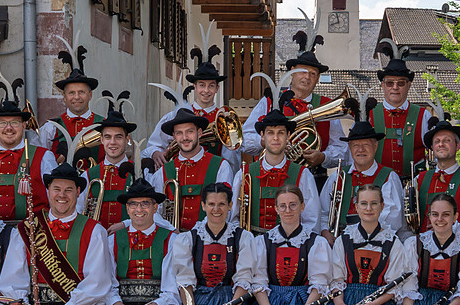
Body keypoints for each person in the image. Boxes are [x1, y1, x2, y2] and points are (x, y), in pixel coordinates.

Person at [23, 166, 116, 305]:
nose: (62, 195)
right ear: (48, 191)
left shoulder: (94, 230)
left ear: (78, 193)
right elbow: (14, 278)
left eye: (68, 190)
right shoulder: (29, 227)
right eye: (56, 189)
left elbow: (97, 281)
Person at [169, 181, 257, 305]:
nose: (216, 209)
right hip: (197, 300)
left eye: (221, 204)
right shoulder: (188, 239)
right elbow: (185, 282)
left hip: (232, 300)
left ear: (229, 206)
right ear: (203, 206)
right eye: (211, 204)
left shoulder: (243, 238)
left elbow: (244, 280)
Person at [241, 28, 347, 176]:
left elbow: (342, 149)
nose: (307, 77)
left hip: (314, 176)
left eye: (313, 74)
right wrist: (265, 142)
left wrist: (323, 157)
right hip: (271, 174)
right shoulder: (270, 99)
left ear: (317, 79)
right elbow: (244, 138)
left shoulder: (327, 106)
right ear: (292, 71)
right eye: (303, 71)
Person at [106, 177, 181, 305]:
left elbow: (173, 286)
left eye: (145, 204)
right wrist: (114, 303)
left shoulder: (170, 238)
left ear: (155, 207)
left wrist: (158, 304)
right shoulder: (113, 239)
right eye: (133, 204)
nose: (139, 209)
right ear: (127, 210)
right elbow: (107, 280)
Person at [144, 41, 242, 171]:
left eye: (211, 86)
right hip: (181, 173)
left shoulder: (225, 119)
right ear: (194, 87)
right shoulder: (176, 115)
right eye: (202, 85)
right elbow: (153, 145)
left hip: (212, 176)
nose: (206, 90)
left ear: (217, 88)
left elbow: (232, 160)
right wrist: (155, 153)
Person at [0, 92, 54, 223]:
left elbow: (55, 195)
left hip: (32, 233)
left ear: (24, 125)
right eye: (2, 123)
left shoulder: (44, 156)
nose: (8, 128)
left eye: (14, 122)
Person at [236, 112, 321, 234]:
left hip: (290, 247)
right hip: (253, 245)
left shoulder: (303, 174)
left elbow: (312, 221)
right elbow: (233, 217)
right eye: (270, 133)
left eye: (280, 133)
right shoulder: (244, 173)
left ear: (288, 136)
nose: (275, 138)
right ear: (262, 136)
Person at [153, 107, 236, 232]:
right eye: (179, 133)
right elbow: (155, 211)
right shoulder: (162, 172)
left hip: (208, 240)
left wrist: (194, 235)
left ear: (200, 133)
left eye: (190, 131)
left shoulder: (221, 166)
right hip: (173, 242)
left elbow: (225, 210)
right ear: (174, 136)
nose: (185, 137)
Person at [366, 39, 438, 182]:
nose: (395, 87)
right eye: (390, 83)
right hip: (378, 185)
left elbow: (436, 152)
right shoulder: (370, 114)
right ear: (382, 85)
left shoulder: (423, 115)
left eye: (401, 83)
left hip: (415, 184)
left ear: (409, 85)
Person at [411, 118, 460, 241]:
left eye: (447, 140)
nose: (441, 144)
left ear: (458, 146)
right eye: (437, 141)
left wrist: (448, 233)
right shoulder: (419, 179)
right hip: (425, 251)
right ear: (432, 147)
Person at [328, 121, 405, 236]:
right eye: (356, 145)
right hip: (340, 240)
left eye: (365, 145)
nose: (360, 150)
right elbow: (324, 212)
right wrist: (326, 232)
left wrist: (365, 236)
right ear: (349, 148)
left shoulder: (389, 177)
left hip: (377, 240)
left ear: (375, 146)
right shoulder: (338, 175)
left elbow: (393, 217)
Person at [79, 96, 138, 228]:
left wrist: (125, 224)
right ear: (101, 140)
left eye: (118, 137)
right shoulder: (87, 176)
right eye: (107, 137)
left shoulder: (139, 174)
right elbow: (78, 212)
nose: (112, 142)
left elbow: (151, 213)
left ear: (127, 139)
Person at [36, 45, 100, 162]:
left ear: (90, 95)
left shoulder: (103, 125)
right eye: (71, 93)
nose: (76, 97)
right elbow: (38, 161)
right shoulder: (50, 128)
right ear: (64, 97)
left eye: (81, 92)